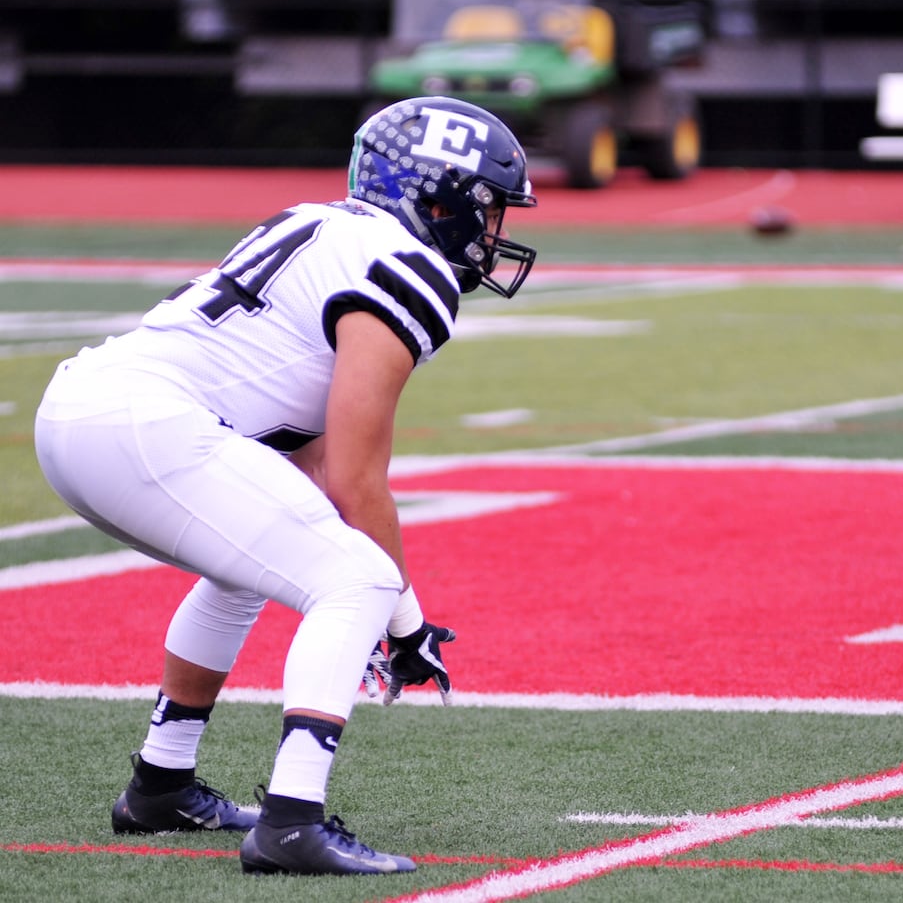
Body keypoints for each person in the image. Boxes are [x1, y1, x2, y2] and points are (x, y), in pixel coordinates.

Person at [33, 96, 539, 875]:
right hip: (146, 425)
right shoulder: (408, 267)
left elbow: (307, 475)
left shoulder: (324, 225)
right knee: (355, 579)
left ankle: (161, 784)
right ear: (438, 198)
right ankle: (291, 823)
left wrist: (406, 619)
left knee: (250, 570)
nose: (496, 231)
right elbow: (356, 479)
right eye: (489, 208)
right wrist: (399, 624)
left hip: (85, 410)